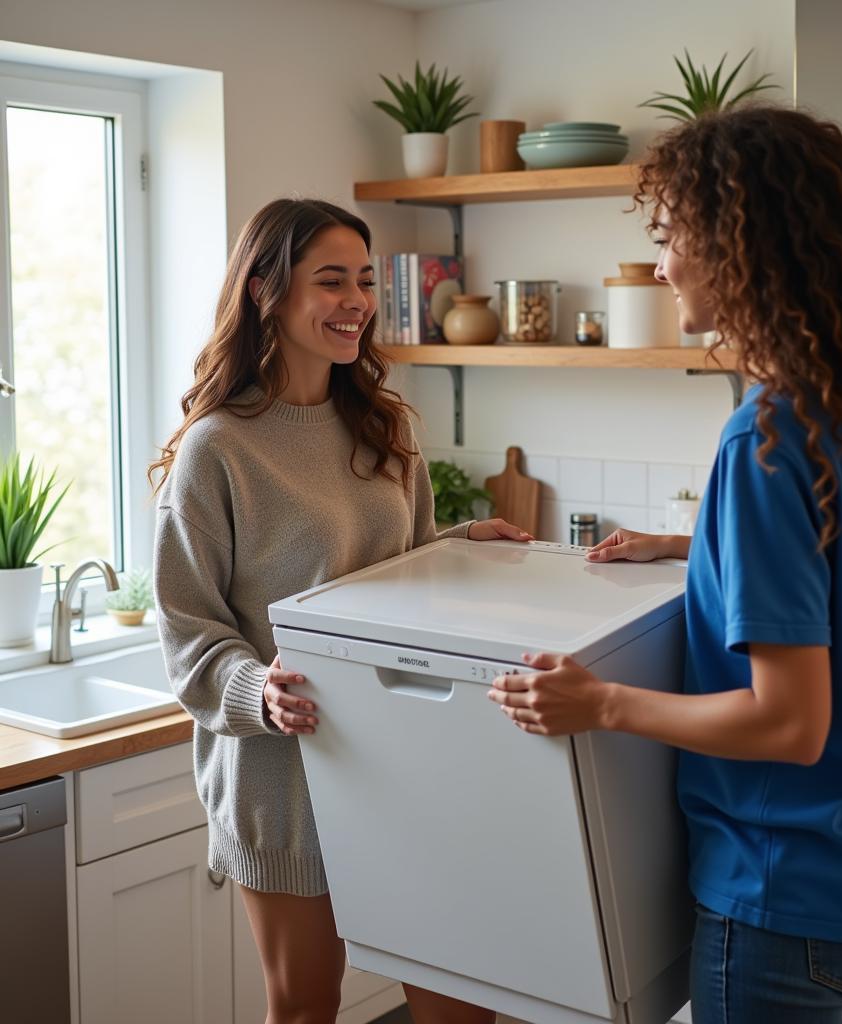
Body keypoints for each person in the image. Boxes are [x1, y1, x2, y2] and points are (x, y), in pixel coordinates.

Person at [487, 106, 842, 1024]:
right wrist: (697, 541)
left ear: (746, 245)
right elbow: (833, 568)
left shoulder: (766, 437)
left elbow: (789, 723)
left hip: (779, 901)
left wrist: (601, 704)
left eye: (674, 237)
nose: (661, 263)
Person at [152, 198, 524, 1024]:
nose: (357, 300)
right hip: (284, 775)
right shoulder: (219, 448)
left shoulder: (386, 426)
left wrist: (466, 545)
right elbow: (187, 630)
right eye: (331, 281)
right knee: (306, 1006)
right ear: (265, 293)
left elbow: (402, 567)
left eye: (364, 279)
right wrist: (257, 690)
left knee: (464, 1003)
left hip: (407, 760)